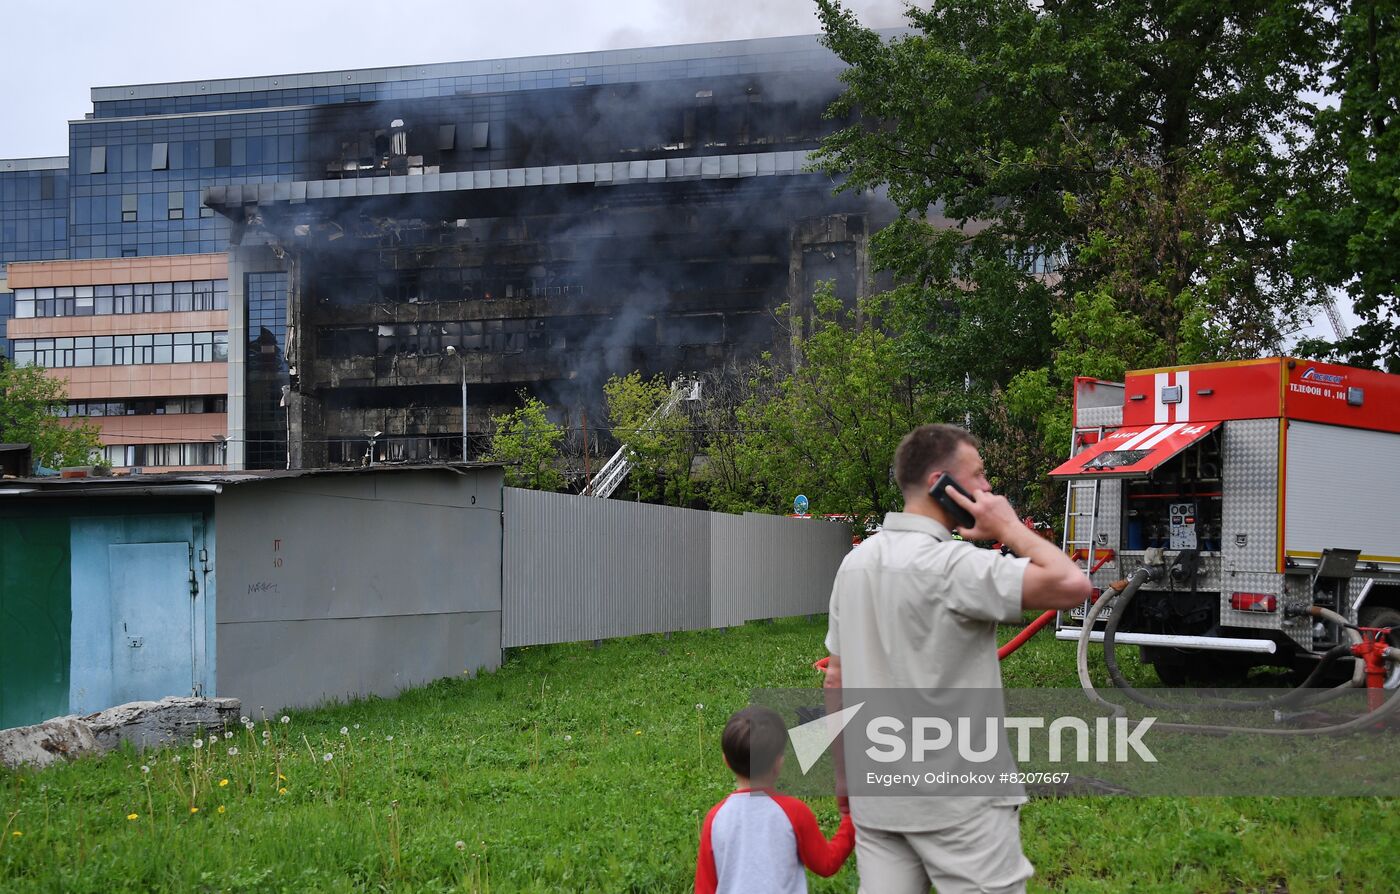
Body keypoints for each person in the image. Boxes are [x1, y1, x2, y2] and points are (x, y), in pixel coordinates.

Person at [823, 424, 1090, 894]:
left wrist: (846, 787)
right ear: (939, 485)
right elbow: (1073, 586)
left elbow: (836, 682)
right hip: (960, 805)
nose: (988, 489)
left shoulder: (855, 564)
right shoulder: (954, 566)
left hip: (876, 800)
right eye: (980, 475)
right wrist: (1008, 527)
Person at [694, 705, 855, 893]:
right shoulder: (795, 812)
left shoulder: (715, 818)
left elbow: (704, 889)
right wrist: (851, 821)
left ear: (726, 761)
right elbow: (826, 864)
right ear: (779, 762)